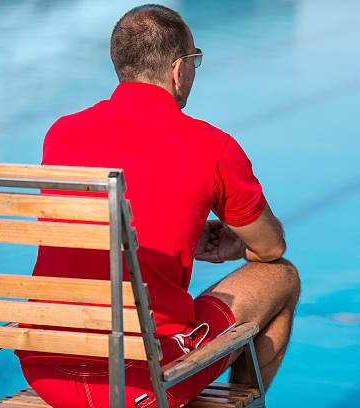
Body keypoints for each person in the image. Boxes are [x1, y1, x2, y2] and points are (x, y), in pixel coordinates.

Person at [15, 5, 300, 408]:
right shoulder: (212, 147)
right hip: (140, 384)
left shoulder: (60, 134)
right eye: (196, 60)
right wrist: (241, 246)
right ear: (179, 69)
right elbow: (271, 248)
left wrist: (182, 237)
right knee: (282, 277)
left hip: (45, 369)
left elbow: (103, 234)